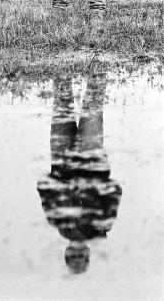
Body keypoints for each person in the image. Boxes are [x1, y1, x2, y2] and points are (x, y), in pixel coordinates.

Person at [37, 73, 122, 274]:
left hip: (61, 157)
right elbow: (116, 189)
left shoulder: (56, 221)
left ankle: (59, 59)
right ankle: (99, 53)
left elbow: (42, 185)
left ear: (66, 251)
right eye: (81, 256)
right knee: (93, 105)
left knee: (61, 102)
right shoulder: (102, 225)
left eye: (73, 256)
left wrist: (62, 186)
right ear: (87, 252)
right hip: (90, 157)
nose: (77, 252)